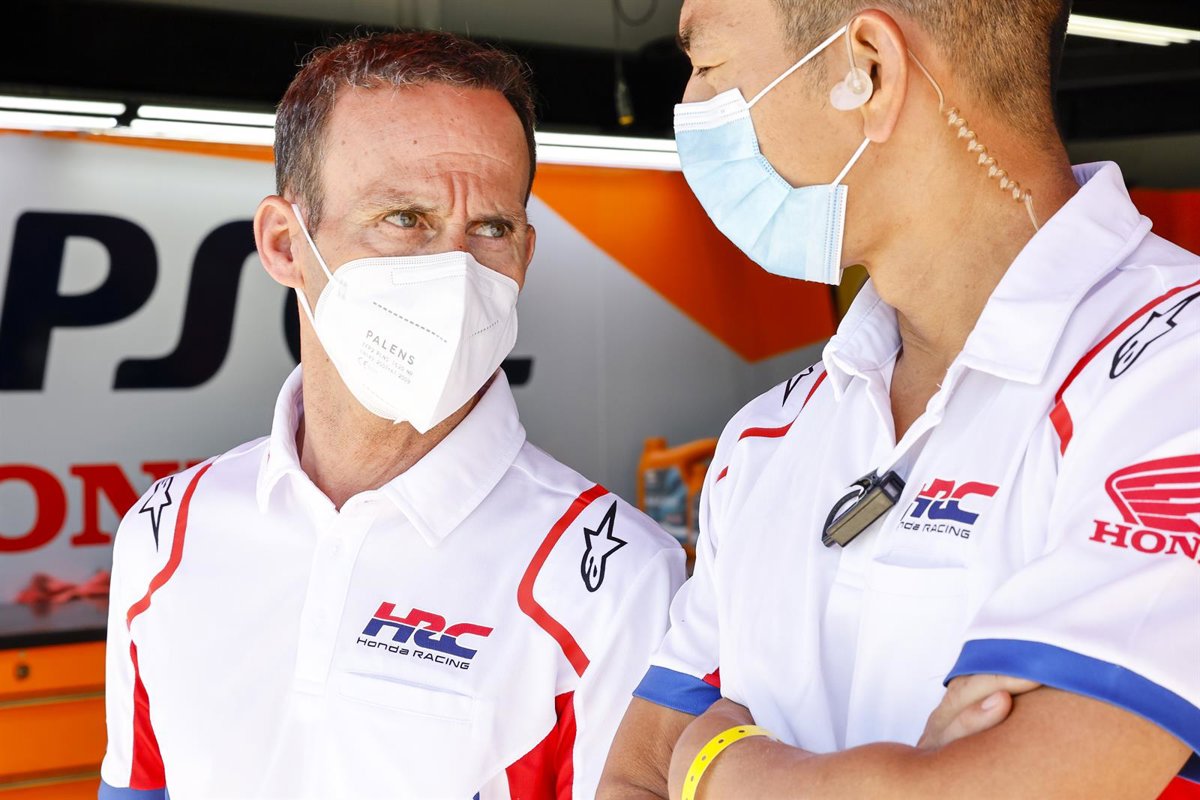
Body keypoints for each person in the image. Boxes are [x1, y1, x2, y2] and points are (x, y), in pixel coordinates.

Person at [600, 0, 1199, 797]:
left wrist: (714, 763)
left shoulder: (1175, 374)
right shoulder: (765, 437)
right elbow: (634, 777)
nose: (689, 104)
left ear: (869, 71)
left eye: (708, 64)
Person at [99, 31, 685, 800]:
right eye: (404, 217)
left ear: (526, 251)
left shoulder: (616, 579)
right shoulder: (166, 531)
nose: (456, 270)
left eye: (493, 228)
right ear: (284, 244)